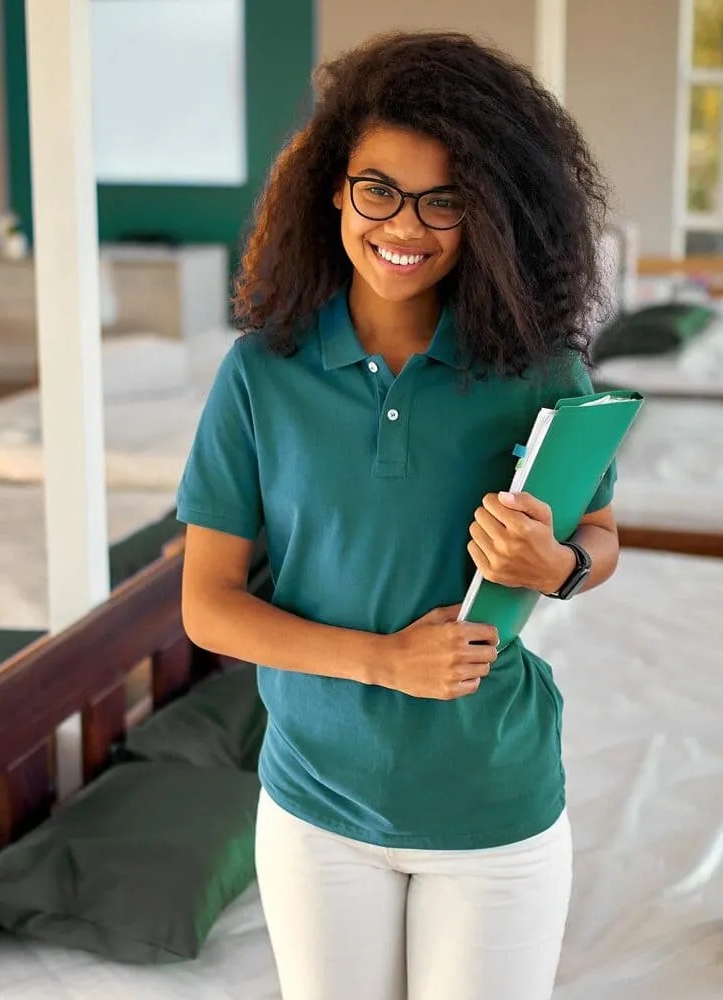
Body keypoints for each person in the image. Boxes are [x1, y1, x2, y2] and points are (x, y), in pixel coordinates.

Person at [178, 30, 620, 1000]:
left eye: (443, 199)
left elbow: (599, 536)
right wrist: (382, 660)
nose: (403, 224)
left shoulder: (538, 371)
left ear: (490, 213)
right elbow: (207, 607)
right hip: (316, 808)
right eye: (377, 188)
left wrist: (559, 565)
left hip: (493, 803)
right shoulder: (261, 372)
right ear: (333, 188)